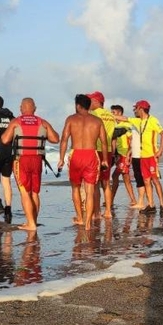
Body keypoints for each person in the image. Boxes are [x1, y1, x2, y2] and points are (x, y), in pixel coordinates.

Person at [0, 97, 60, 231]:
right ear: (35, 109)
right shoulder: (42, 122)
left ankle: (30, 224)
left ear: (21, 108)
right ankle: (33, 221)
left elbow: (4, 139)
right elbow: (55, 139)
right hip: (37, 160)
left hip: (21, 160)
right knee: (34, 193)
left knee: (24, 192)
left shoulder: (16, 122)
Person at [58, 94, 109, 229]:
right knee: (90, 190)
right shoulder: (97, 121)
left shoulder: (71, 119)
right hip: (91, 155)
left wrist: (61, 159)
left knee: (75, 187)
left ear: (78, 106)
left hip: (75, 154)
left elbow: (64, 139)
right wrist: (104, 159)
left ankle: (80, 218)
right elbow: (104, 142)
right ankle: (87, 224)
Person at [115, 100, 163, 216]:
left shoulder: (152, 120)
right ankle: (151, 205)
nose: (135, 110)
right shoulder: (137, 121)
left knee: (155, 180)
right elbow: (125, 118)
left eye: (136, 108)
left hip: (151, 155)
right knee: (146, 181)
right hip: (142, 156)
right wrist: (108, 115)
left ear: (141, 108)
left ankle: (162, 204)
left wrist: (160, 150)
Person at [86, 91, 117, 219]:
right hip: (108, 151)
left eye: (90, 101)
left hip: (95, 150)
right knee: (106, 182)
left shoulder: (93, 114)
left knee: (94, 183)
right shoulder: (111, 116)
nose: (88, 103)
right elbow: (113, 136)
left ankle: (97, 212)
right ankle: (108, 211)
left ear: (96, 101)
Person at [109, 105, 136, 207]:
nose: (112, 114)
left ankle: (111, 199)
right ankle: (132, 199)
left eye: (113, 113)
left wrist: (129, 153)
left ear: (120, 113)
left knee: (116, 176)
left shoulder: (125, 125)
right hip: (119, 154)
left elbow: (132, 140)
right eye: (111, 112)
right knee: (125, 177)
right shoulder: (116, 125)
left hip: (125, 154)